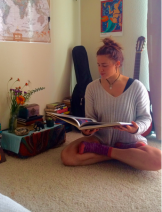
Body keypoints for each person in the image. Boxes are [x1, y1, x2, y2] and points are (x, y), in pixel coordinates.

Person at [61, 37, 161, 171]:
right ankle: (117, 154)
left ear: (117, 64)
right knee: (67, 156)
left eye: (105, 65)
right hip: (101, 139)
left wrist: (136, 129)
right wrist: (87, 130)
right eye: (98, 65)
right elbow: (90, 118)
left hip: (131, 141)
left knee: (157, 160)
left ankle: (105, 152)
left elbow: (146, 118)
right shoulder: (91, 88)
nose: (100, 69)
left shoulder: (137, 87)